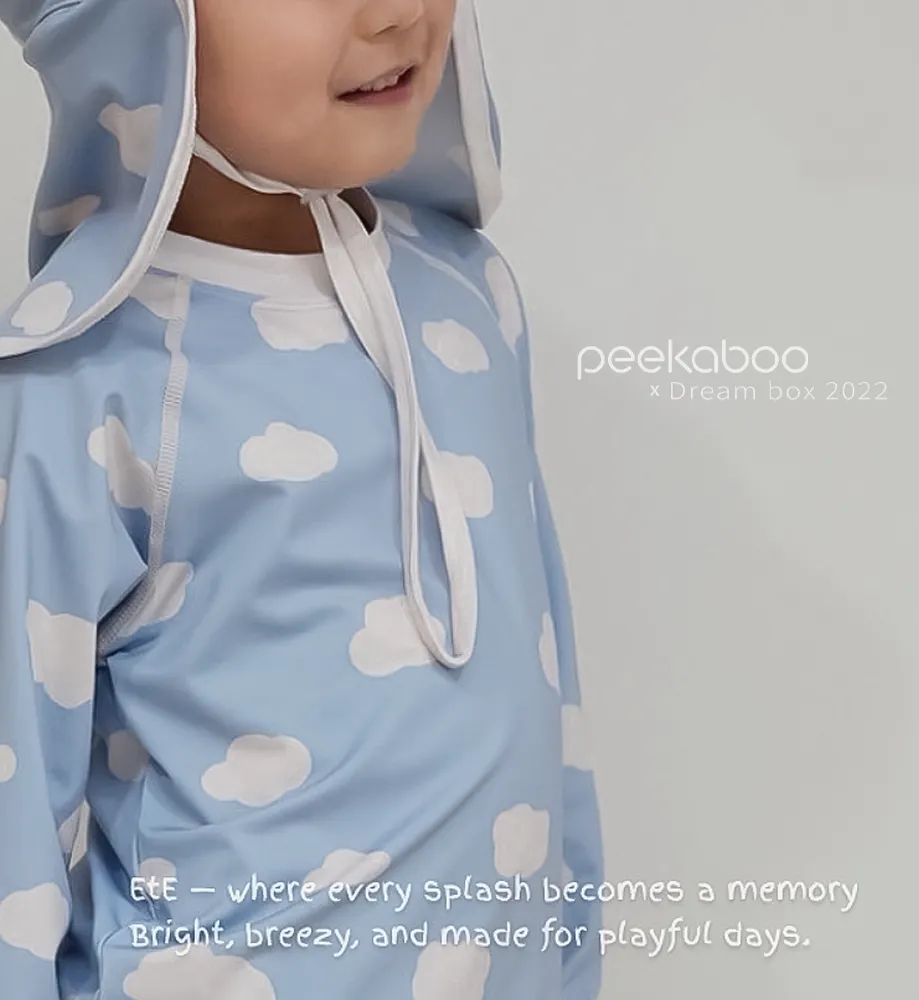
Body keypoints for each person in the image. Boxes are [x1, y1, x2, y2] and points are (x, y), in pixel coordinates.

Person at [0, 1, 603, 997]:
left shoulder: (468, 293)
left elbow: (546, 703)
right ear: (128, 27)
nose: (398, 12)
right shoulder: (81, 392)